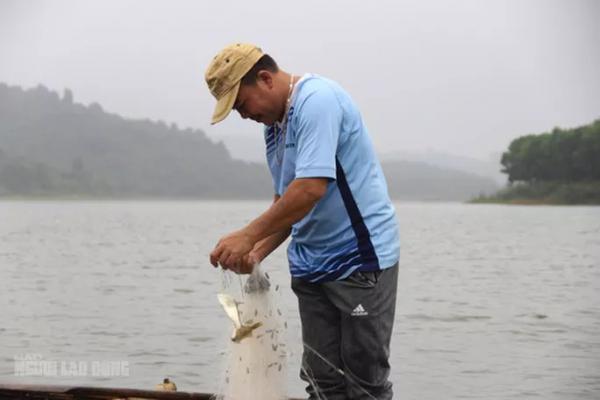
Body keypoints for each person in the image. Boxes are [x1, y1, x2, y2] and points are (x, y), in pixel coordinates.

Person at [204, 43, 400, 400]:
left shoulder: (317, 101)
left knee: (364, 382)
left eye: (242, 104)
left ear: (266, 79)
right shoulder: (274, 128)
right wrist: (256, 252)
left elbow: (310, 188)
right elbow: (287, 203)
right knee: (322, 380)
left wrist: (247, 235)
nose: (243, 115)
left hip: (359, 262)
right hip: (311, 267)